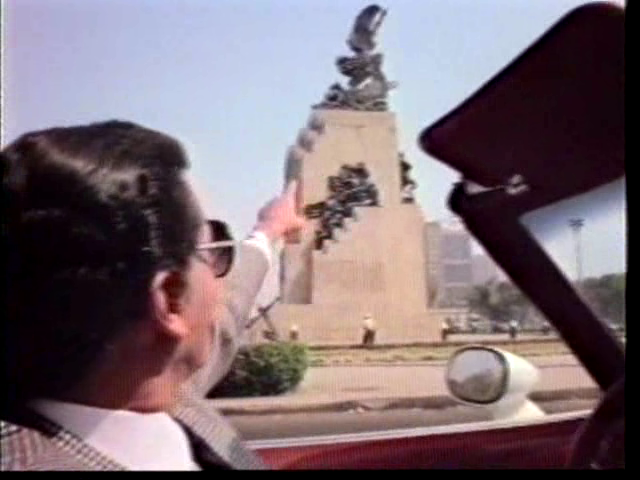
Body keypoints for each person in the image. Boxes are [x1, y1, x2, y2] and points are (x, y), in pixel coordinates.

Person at [0, 120, 305, 470]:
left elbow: (229, 313)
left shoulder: (143, 382)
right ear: (170, 299)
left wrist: (268, 231)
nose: (221, 286)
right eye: (212, 253)